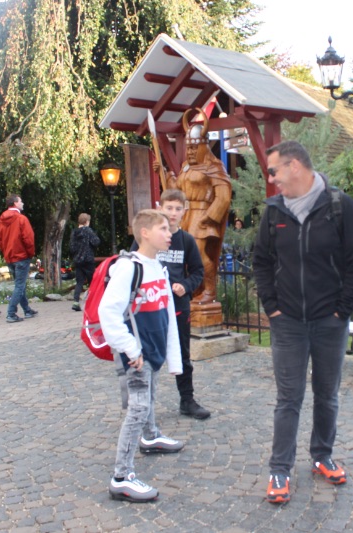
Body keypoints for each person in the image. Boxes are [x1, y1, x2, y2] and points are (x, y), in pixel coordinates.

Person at [252, 140, 353, 504]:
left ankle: (322, 455)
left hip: (329, 321)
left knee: (326, 394)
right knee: (288, 398)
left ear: (295, 166)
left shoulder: (339, 206)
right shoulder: (274, 212)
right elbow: (261, 261)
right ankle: (280, 469)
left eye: (274, 171)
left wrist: (342, 310)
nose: (272, 179)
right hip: (288, 322)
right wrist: (272, 306)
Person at [101, 209, 183, 503]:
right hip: (137, 355)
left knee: (150, 397)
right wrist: (131, 348)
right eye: (163, 228)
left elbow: (166, 314)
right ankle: (121, 478)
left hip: (153, 350)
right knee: (137, 408)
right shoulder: (128, 268)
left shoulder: (158, 267)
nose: (170, 233)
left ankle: (150, 436)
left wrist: (172, 356)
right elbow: (108, 312)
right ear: (145, 233)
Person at [156, 110, 232, 304]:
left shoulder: (214, 167)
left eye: (193, 148)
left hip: (202, 216)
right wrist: (165, 174)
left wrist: (210, 217)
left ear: (203, 147)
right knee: (188, 255)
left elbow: (223, 196)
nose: (189, 152)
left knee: (199, 253)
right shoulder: (185, 167)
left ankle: (209, 290)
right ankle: (196, 288)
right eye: (188, 148)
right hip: (186, 216)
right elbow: (177, 191)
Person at [155, 189, 210, 419]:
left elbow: (198, 271)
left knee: (182, 354)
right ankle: (143, 403)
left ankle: (187, 400)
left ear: (184, 211)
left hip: (178, 305)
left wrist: (186, 286)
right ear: (160, 208)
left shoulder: (186, 240)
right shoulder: (149, 236)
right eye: (169, 208)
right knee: (147, 354)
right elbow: (133, 264)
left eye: (178, 208)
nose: (173, 213)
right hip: (152, 306)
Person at [0, 194, 38, 323]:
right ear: (15, 203)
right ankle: (11, 313)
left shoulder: (1, 220)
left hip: (10, 256)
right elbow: (28, 238)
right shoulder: (21, 219)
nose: (22, 203)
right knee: (20, 285)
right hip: (21, 256)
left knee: (20, 284)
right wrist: (30, 253)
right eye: (21, 201)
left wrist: (6, 251)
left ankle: (27, 309)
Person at [70, 213, 101, 312]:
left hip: (78, 260)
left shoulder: (74, 232)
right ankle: (93, 302)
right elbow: (96, 242)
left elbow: (71, 247)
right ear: (87, 221)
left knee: (79, 282)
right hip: (88, 259)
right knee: (92, 281)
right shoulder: (88, 231)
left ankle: (76, 302)